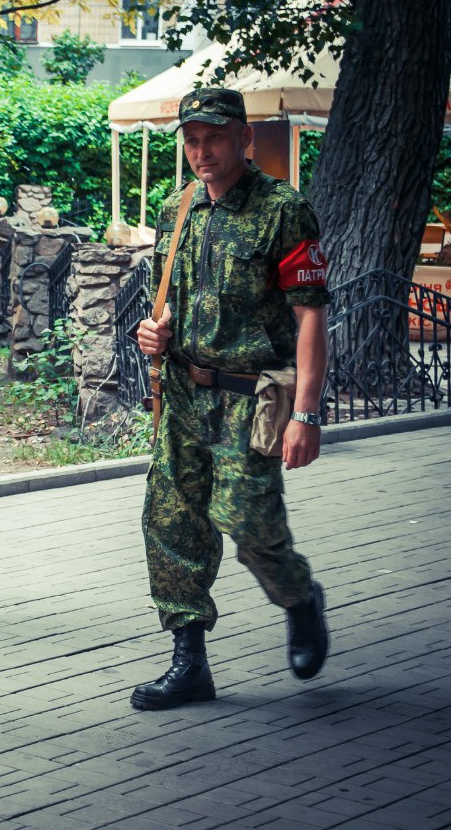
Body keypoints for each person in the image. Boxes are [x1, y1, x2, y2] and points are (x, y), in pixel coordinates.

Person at [132, 87, 331, 710]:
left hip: (253, 400)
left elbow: (311, 319)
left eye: (214, 137)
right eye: (191, 139)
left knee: (250, 526)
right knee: (170, 524)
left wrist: (306, 413)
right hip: (186, 394)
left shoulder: (283, 211)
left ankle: (298, 597)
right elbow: (169, 300)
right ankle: (189, 661)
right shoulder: (178, 208)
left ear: (246, 139)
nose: (201, 150)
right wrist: (154, 332)